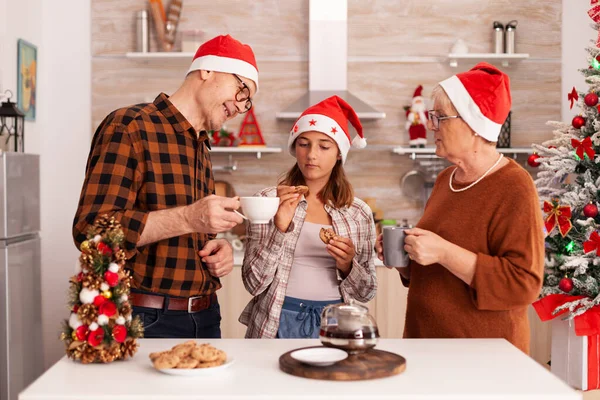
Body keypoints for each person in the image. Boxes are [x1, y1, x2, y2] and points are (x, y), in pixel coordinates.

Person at [73, 35, 258, 339]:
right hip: (147, 319)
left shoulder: (200, 144)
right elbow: (91, 231)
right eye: (242, 91)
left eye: (247, 101)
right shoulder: (130, 125)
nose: (240, 108)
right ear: (207, 71)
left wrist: (217, 248)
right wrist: (189, 218)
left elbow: (188, 231)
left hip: (206, 315)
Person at [376, 63, 544, 354]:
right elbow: (438, 273)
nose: (431, 126)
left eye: (440, 117)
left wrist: (444, 251)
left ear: (473, 124)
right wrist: (406, 259)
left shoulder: (514, 186)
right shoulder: (446, 180)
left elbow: (523, 284)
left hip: (481, 357)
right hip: (426, 348)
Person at [239, 96, 377, 338]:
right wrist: (279, 229)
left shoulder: (358, 213)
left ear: (338, 154)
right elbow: (253, 283)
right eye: (303, 144)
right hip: (275, 321)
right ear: (295, 149)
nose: (312, 154)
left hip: (337, 324)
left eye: (324, 146)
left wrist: (347, 266)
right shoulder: (268, 201)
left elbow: (366, 292)